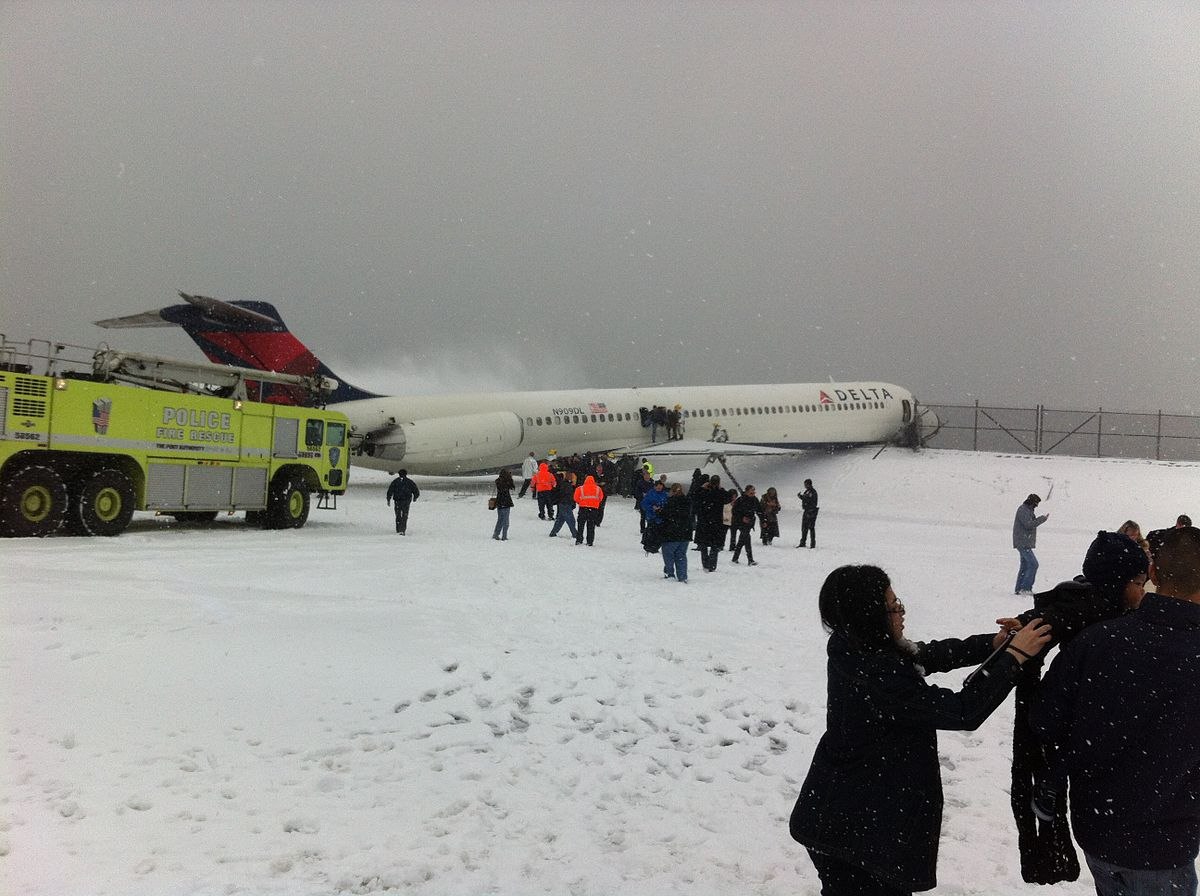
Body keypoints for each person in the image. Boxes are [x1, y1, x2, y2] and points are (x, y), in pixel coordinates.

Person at [790, 565, 1051, 895]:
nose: (900, 611)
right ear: (869, 615)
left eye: (898, 601)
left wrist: (994, 645)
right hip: (858, 837)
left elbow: (925, 654)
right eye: (892, 605)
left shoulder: (857, 646)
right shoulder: (877, 673)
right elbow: (962, 711)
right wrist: (1014, 657)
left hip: (843, 819)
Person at [1030, 526, 1200, 896]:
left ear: (1153, 574)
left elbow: (1046, 721)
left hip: (1099, 831)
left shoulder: (1097, 640)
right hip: (1164, 845)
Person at [1013, 493, 1049, 595]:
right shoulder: (1023, 510)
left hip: (1024, 542)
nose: (1036, 506)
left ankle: (1019, 589)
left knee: (1025, 565)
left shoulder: (1027, 510)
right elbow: (1029, 525)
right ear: (1032, 502)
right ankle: (1025, 588)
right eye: (1036, 503)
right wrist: (1042, 519)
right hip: (1022, 542)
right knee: (1033, 564)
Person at [659, 483, 691, 583]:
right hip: (685, 533)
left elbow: (665, 515)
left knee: (668, 554)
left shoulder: (670, 502)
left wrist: (658, 511)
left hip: (672, 533)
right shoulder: (687, 502)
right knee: (681, 555)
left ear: (672, 491)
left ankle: (670, 573)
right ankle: (682, 576)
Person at [694, 475, 727, 573]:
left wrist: (702, 488)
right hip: (716, 522)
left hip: (704, 521)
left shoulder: (703, 492)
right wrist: (721, 489)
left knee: (704, 545)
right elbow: (728, 498)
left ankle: (706, 564)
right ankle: (712, 565)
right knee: (715, 546)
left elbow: (694, 496)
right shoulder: (720, 493)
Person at [730, 485, 761, 566]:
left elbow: (759, 510)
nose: (753, 493)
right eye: (751, 492)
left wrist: (763, 520)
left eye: (754, 492)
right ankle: (750, 559)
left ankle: (735, 558)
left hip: (749, 523)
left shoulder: (755, 500)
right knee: (747, 539)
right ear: (746, 492)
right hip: (740, 523)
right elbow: (734, 511)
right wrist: (742, 518)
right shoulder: (740, 500)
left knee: (742, 540)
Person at [385, 469, 420, 535]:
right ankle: (402, 529)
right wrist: (415, 497)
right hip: (405, 501)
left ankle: (399, 529)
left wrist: (388, 499)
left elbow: (390, 490)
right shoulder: (409, 482)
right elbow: (415, 490)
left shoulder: (395, 481)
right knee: (404, 515)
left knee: (398, 515)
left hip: (398, 500)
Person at [573, 474, 604, 546]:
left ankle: (579, 540)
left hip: (583, 508)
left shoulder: (580, 488)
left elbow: (575, 498)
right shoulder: (598, 489)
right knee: (591, 526)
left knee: (580, 525)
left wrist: (580, 502)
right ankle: (590, 541)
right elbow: (600, 498)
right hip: (593, 510)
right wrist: (595, 503)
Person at [548, 471, 579, 540]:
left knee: (560, 519)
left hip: (563, 503)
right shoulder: (568, 485)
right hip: (566, 504)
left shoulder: (564, 484)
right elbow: (569, 496)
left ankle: (553, 532)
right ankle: (575, 534)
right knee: (570, 520)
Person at [492, 468, 514, 540]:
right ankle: (504, 536)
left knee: (500, 519)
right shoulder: (507, 481)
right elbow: (512, 487)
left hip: (499, 502)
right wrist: (510, 478)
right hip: (506, 502)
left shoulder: (498, 481)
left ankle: (496, 534)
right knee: (506, 521)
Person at [796, 479, 819, 549]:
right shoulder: (807, 491)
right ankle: (803, 542)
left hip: (811, 511)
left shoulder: (813, 492)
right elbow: (806, 499)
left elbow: (812, 501)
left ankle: (812, 544)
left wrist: (810, 510)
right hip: (806, 511)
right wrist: (801, 497)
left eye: (805, 484)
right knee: (804, 527)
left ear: (809, 484)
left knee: (811, 528)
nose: (805, 486)